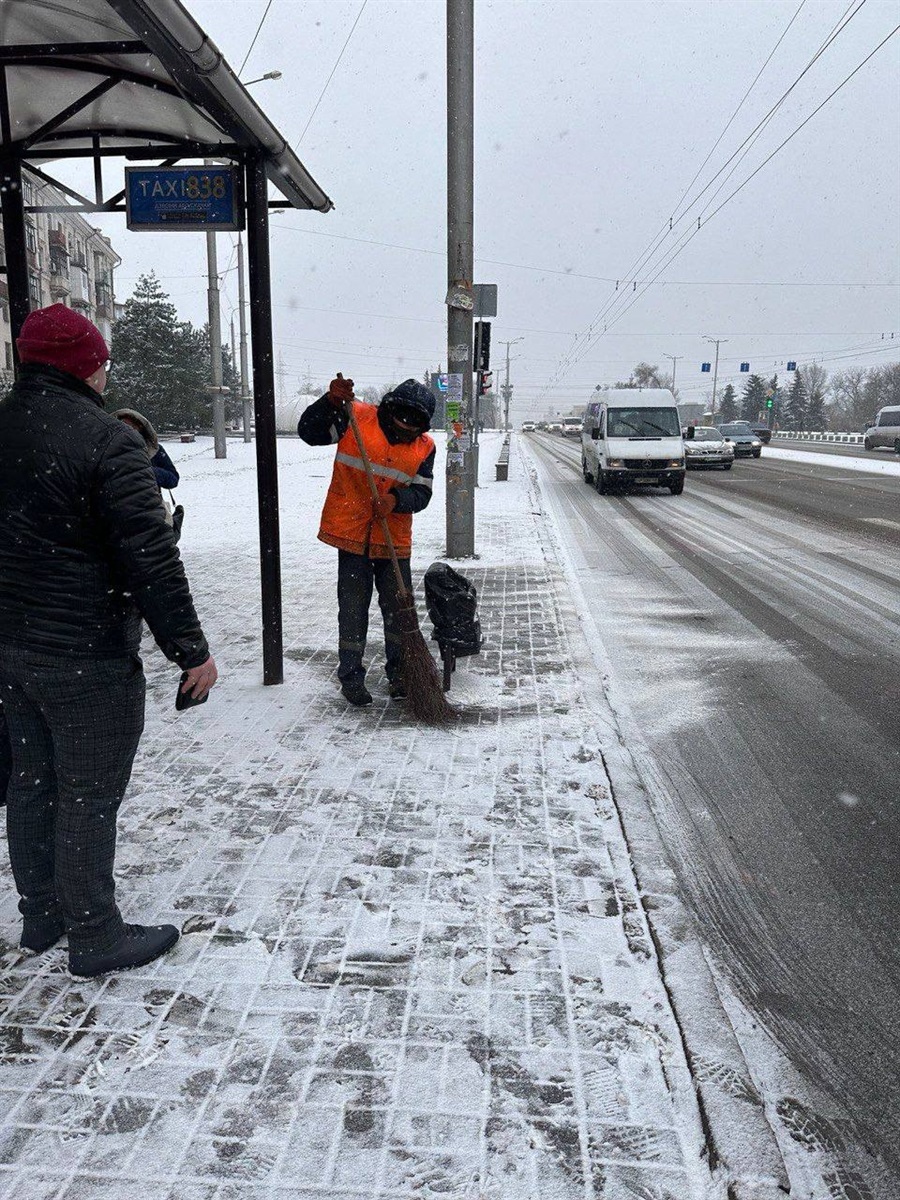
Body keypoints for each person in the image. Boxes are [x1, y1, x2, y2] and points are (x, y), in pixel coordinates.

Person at [0, 304, 217, 978]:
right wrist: (191, 651)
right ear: (84, 365)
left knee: (32, 783)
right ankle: (95, 934)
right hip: (85, 655)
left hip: (11, 650)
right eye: (101, 360)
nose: (104, 372)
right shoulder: (108, 441)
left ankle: (42, 916)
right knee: (88, 794)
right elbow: (149, 560)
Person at [298, 375, 436, 706]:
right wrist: (330, 402)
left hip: (394, 539)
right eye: (402, 416)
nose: (406, 426)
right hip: (352, 533)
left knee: (398, 609)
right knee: (353, 609)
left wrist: (396, 501)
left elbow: (423, 492)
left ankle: (402, 674)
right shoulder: (356, 418)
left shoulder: (425, 447)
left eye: (414, 422)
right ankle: (351, 677)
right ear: (388, 408)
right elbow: (310, 433)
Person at [112, 408, 182, 536]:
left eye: (131, 427)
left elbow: (173, 479)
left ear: (140, 428)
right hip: (117, 515)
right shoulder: (106, 453)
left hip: (152, 513)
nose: (127, 431)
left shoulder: (155, 451)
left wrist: (149, 472)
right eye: (122, 426)